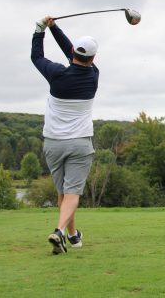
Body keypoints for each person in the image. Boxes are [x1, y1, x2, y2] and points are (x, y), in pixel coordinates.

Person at [31, 16, 99, 255]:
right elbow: (73, 53)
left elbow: (37, 57)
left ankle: (72, 235)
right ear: (93, 58)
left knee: (63, 194)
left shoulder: (57, 75)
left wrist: (42, 29)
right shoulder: (94, 76)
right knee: (71, 194)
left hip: (53, 144)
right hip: (80, 144)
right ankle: (60, 231)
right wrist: (53, 29)